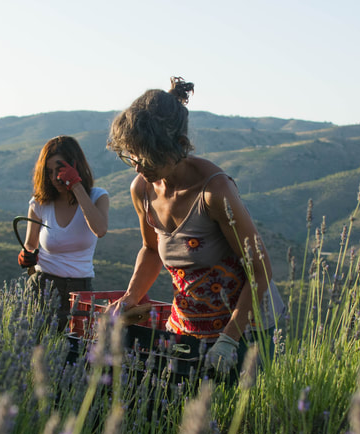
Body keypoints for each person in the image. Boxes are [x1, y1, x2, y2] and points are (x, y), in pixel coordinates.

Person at [105, 77, 284, 375]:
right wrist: (130, 297)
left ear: (177, 146)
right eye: (132, 155)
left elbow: (259, 266)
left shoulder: (214, 192)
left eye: (147, 156)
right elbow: (151, 250)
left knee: (230, 416)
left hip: (244, 329)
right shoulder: (143, 189)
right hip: (186, 323)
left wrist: (229, 339)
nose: (138, 165)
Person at [19, 136, 109, 330]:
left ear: (75, 166)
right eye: (49, 172)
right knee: (38, 350)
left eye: (59, 171)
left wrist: (76, 185)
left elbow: (100, 229)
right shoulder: (39, 203)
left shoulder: (97, 197)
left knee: (77, 352)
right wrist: (26, 254)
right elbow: (30, 243)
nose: (54, 178)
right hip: (43, 287)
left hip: (81, 290)